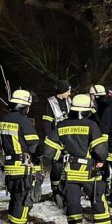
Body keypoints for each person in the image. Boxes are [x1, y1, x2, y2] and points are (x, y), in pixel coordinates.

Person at [41, 94, 112, 224]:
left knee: (73, 203)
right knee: (98, 201)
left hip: (70, 173)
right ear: (87, 110)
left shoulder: (61, 126)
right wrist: (101, 161)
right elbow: (101, 150)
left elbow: (48, 152)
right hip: (90, 173)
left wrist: (63, 156)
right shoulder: (91, 125)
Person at [0, 89, 42, 224]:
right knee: (23, 201)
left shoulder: (3, 120)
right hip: (24, 167)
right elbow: (34, 145)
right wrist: (39, 158)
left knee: (15, 199)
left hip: (10, 166)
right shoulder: (23, 121)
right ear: (25, 106)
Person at [42, 80, 72, 208]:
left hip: (69, 137)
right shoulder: (51, 103)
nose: (70, 93)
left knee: (69, 164)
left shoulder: (69, 101)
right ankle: (55, 190)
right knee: (57, 164)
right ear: (62, 91)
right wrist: (50, 140)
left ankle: (67, 189)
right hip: (56, 138)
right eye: (68, 91)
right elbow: (47, 123)